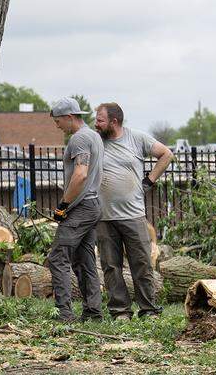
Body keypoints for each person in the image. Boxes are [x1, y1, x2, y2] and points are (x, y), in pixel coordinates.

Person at [93, 102, 172, 319]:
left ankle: (148, 309)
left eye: (100, 120)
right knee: (110, 266)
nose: (96, 123)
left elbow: (166, 154)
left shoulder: (136, 138)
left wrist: (149, 181)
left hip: (133, 215)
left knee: (142, 264)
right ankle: (120, 311)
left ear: (114, 121)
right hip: (105, 216)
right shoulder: (95, 141)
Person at [46, 97, 104, 322]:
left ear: (70, 117)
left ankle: (64, 313)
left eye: (58, 121)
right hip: (93, 205)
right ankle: (93, 312)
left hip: (81, 208)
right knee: (85, 259)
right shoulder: (94, 136)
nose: (57, 125)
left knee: (58, 257)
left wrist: (63, 205)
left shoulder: (79, 139)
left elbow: (80, 174)